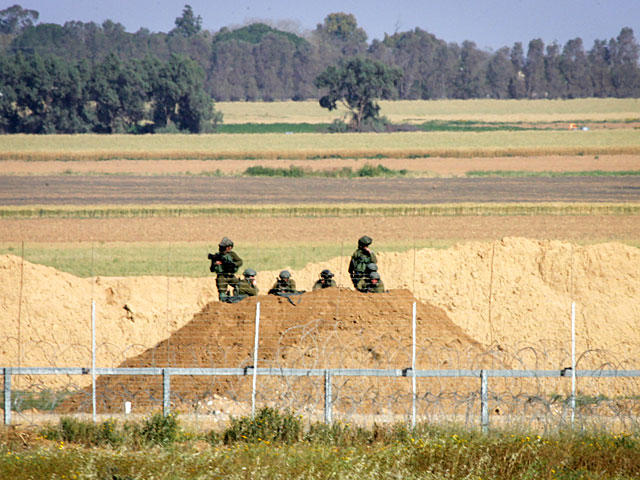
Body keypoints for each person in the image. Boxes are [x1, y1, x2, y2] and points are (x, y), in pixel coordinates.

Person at [209, 237, 243, 301]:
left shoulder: (232, 254)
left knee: (239, 286)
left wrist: (234, 264)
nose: (229, 248)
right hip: (222, 277)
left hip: (231, 276)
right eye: (228, 247)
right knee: (222, 294)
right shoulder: (217, 256)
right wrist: (215, 264)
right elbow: (211, 269)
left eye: (230, 247)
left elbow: (240, 262)